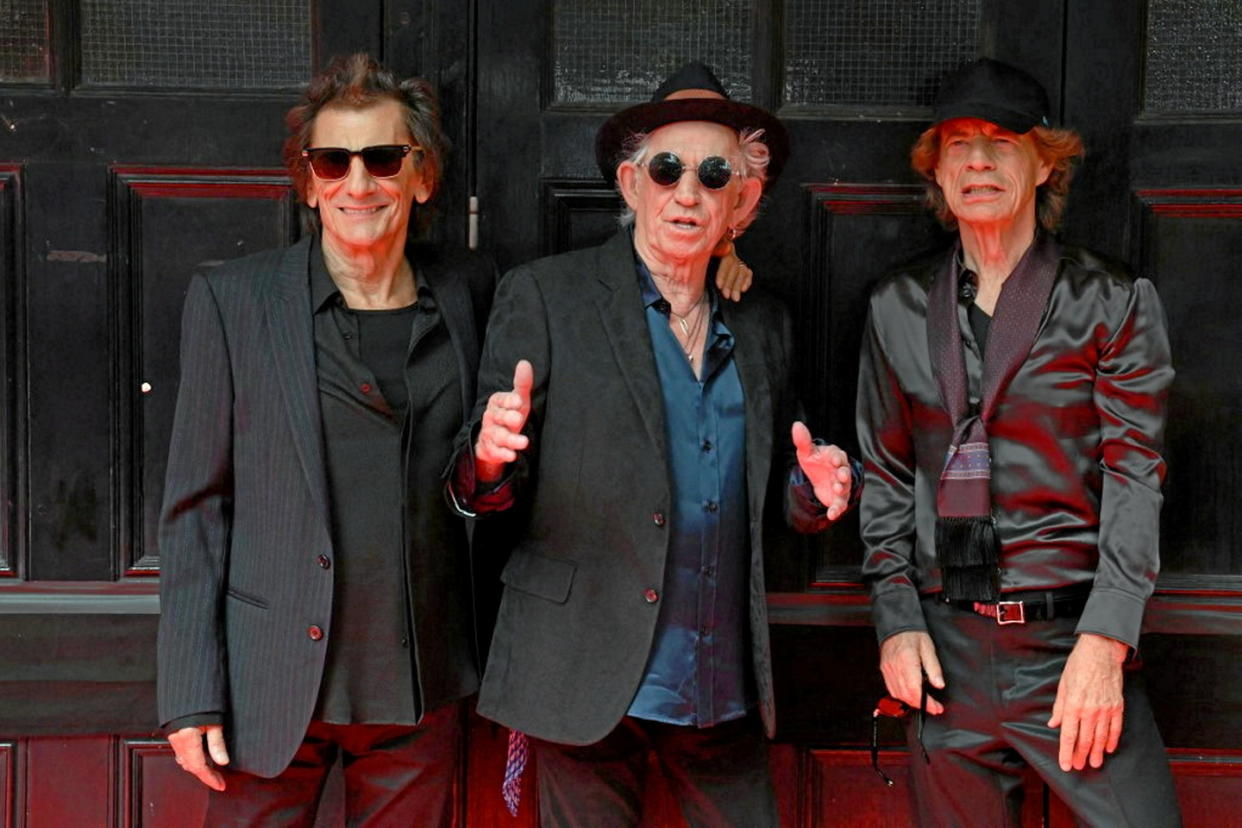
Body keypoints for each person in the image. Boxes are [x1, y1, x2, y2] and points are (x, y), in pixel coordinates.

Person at [447, 62, 860, 827]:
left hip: (717, 675)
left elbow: (786, 488)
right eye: (667, 170)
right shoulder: (548, 295)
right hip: (579, 666)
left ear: (744, 200)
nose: (688, 192)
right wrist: (489, 457)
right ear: (632, 185)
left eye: (713, 175)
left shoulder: (763, 321)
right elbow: (478, 483)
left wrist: (819, 489)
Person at [155, 53, 498, 825]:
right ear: (308, 182)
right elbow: (195, 507)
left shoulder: (474, 292)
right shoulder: (233, 302)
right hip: (267, 682)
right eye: (332, 162)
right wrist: (187, 694)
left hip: (421, 685)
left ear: (422, 177)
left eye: (382, 159)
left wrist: (723, 252)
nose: (358, 183)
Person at [857, 58, 1181, 825]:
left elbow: (1136, 472)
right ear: (935, 168)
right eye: (958, 143)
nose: (977, 161)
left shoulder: (1111, 300)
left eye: (1002, 142)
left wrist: (1106, 643)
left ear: (1044, 163)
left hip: (1071, 644)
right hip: (947, 653)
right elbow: (884, 472)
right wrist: (896, 620)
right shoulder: (897, 306)